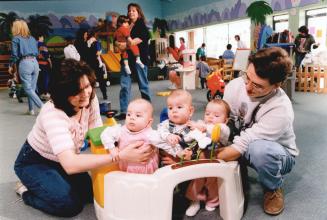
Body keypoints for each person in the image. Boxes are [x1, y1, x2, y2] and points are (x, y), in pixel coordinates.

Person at [14, 59, 154, 217]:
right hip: (35, 161)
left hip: (64, 158)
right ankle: (25, 191)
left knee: (89, 193)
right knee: (68, 205)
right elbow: (71, 164)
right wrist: (120, 156)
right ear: (62, 93)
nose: (85, 94)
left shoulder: (90, 98)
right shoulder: (52, 114)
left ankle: (52, 183)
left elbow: (98, 134)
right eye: (76, 91)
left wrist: (131, 139)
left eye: (87, 86)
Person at [216, 47, 298, 215]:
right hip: (242, 141)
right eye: (247, 77)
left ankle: (272, 187)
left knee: (259, 150)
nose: (247, 87)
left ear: (277, 85)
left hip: (276, 153)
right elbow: (224, 120)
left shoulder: (281, 109)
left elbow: (245, 143)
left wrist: (204, 158)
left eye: (258, 86)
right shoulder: (235, 85)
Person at [185, 99, 231, 217]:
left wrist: (203, 127)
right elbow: (191, 135)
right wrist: (192, 132)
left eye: (216, 115)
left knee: (212, 182)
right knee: (196, 180)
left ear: (225, 120)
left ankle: (212, 201)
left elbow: (217, 130)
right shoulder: (202, 123)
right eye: (207, 113)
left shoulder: (223, 128)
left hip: (215, 162)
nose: (210, 117)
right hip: (199, 161)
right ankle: (195, 200)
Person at [101, 99, 159, 174]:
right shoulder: (121, 130)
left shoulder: (151, 134)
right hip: (125, 169)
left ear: (149, 122)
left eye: (138, 115)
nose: (132, 118)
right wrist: (111, 148)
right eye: (129, 114)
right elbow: (105, 133)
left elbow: (164, 141)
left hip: (146, 171)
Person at [115, 3, 152, 121]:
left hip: (139, 59)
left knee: (143, 85)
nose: (131, 12)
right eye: (129, 10)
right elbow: (117, 42)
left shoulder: (141, 25)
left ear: (139, 12)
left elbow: (136, 41)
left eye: (134, 11)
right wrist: (117, 44)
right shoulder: (124, 26)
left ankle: (147, 109)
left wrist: (123, 45)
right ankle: (124, 111)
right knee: (124, 86)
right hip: (126, 60)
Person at [157, 89, 211, 160]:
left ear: (190, 111)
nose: (174, 111)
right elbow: (160, 131)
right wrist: (168, 135)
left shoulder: (192, 126)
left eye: (179, 107)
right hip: (168, 155)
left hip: (185, 158)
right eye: (170, 108)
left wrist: (201, 130)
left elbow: (198, 137)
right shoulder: (167, 124)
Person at [8, 19, 43, 115]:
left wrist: (10, 65)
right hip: (35, 63)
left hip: (25, 63)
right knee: (32, 87)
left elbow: (14, 55)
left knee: (28, 88)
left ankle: (42, 107)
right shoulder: (31, 38)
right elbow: (36, 52)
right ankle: (31, 110)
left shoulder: (16, 38)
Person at [85, 30, 107, 100]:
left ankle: (90, 96)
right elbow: (98, 53)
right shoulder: (96, 42)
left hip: (89, 62)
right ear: (94, 35)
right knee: (101, 79)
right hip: (96, 62)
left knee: (90, 80)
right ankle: (104, 94)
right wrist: (99, 51)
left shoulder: (86, 43)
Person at [36, 34, 52, 101]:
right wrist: (50, 62)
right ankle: (45, 93)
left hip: (36, 64)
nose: (43, 38)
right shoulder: (42, 44)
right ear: (40, 37)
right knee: (45, 79)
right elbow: (46, 54)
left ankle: (39, 94)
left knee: (39, 79)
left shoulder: (34, 44)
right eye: (42, 36)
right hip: (44, 64)